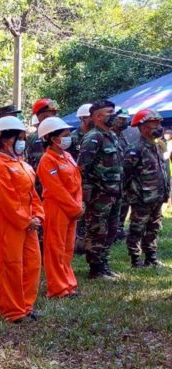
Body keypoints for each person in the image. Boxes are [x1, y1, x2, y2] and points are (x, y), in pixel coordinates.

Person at [0, 117, 44, 322]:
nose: (22, 141)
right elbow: (4, 199)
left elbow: (33, 195)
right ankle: (12, 311)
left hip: (29, 223)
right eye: (19, 137)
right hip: (9, 223)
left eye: (23, 137)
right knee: (11, 265)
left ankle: (26, 306)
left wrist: (37, 215)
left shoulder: (23, 164)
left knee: (32, 264)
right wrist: (25, 220)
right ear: (5, 140)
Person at [36, 117, 82, 298]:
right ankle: (57, 288)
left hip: (72, 208)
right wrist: (74, 207)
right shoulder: (47, 160)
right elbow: (56, 189)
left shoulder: (68, 156)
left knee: (67, 247)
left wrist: (77, 204)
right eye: (65, 134)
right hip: (56, 207)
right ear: (52, 138)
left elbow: (77, 182)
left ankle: (68, 284)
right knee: (55, 248)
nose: (69, 137)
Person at [78, 99, 123, 279]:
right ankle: (95, 268)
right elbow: (81, 169)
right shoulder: (93, 137)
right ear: (97, 116)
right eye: (109, 112)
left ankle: (103, 263)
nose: (114, 115)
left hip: (114, 192)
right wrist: (86, 194)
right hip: (99, 194)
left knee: (112, 230)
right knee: (97, 230)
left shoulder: (111, 136)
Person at [123, 109, 170, 268]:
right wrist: (132, 193)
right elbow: (126, 174)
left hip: (158, 195)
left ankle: (151, 257)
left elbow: (164, 170)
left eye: (159, 124)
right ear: (143, 128)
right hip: (142, 198)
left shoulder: (159, 146)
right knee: (137, 229)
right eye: (154, 124)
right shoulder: (135, 149)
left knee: (154, 227)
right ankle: (136, 260)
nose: (159, 127)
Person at [70, 104, 92, 255]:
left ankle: (88, 245)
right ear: (83, 118)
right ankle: (77, 245)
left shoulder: (97, 136)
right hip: (77, 184)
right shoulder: (72, 138)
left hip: (94, 184)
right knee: (79, 215)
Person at [111, 108, 131, 240]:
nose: (124, 122)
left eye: (125, 119)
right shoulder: (108, 135)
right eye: (121, 119)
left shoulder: (121, 135)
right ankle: (111, 232)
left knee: (124, 204)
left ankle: (119, 229)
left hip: (124, 179)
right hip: (111, 180)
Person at [25, 98, 60, 174]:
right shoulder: (32, 139)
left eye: (55, 114)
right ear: (40, 117)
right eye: (52, 114)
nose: (55, 117)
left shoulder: (61, 136)